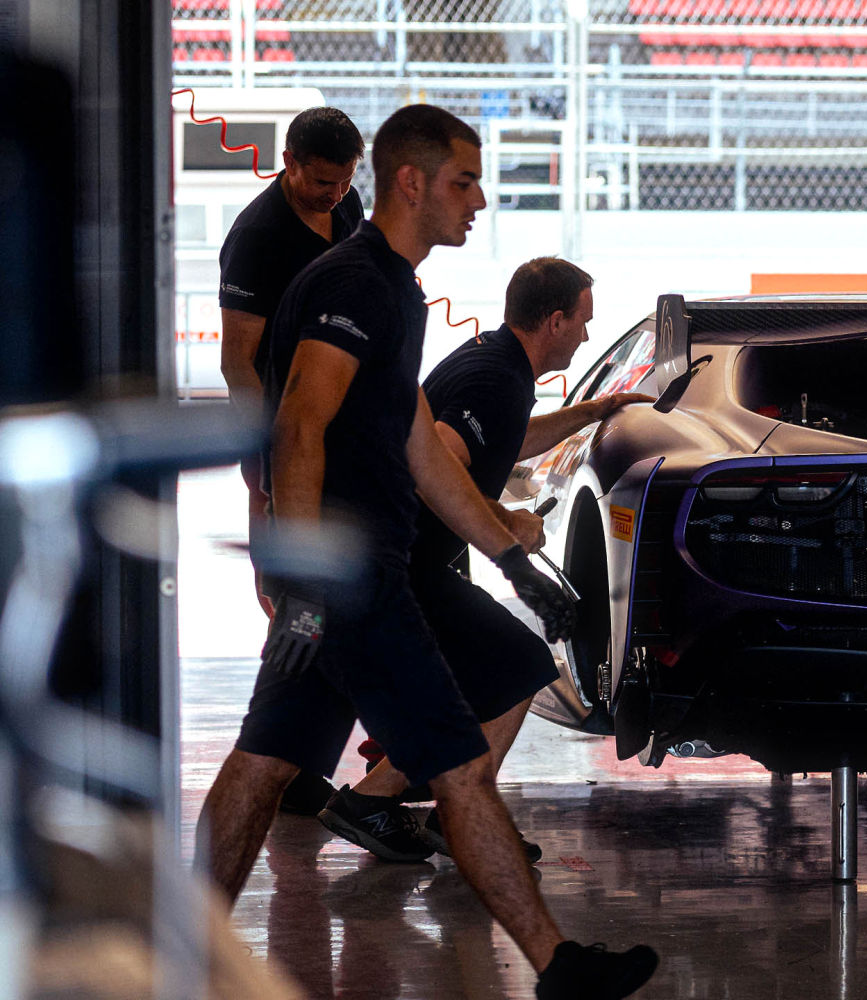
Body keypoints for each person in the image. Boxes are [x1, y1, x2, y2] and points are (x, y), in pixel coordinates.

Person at [194, 104, 657, 1000]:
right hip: (354, 582)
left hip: (345, 578)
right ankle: (558, 968)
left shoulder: (392, 290)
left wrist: (511, 555)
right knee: (456, 767)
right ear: (411, 182)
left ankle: (171, 953)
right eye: (463, 181)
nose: (478, 201)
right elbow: (297, 425)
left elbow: (415, 445)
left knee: (262, 761)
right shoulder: (357, 285)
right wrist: (304, 582)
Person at [317, 257, 653, 864]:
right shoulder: (495, 380)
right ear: (554, 321)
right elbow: (439, 463)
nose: (586, 335)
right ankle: (399, 809)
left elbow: (504, 438)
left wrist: (590, 412)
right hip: (400, 564)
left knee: (476, 680)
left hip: (391, 558)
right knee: (521, 665)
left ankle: (426, 811)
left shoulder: (496, 364)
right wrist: (507, 527)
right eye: (582, 323)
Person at [218, 106, 365, 815]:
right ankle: (287, 758)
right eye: (319, 183)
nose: (331, 196)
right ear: (289, 160)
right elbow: (236, 360)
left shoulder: (349, 208)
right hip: (286, 436)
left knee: (346, 591)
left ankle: (340, 748)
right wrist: (266, 460)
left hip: (348, 431)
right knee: (290, 596)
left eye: (343, 183)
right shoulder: (257, 238)